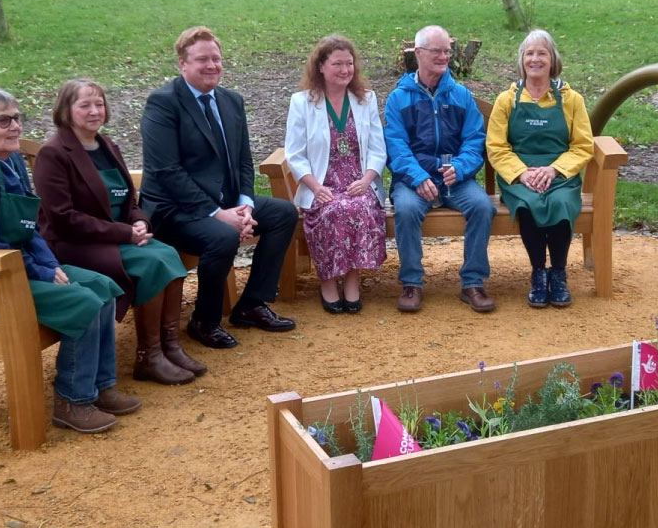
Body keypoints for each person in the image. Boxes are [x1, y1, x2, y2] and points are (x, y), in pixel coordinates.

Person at [0, 87, 137, 434]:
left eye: (17, 118)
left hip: (17, 268)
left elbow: (30, 227)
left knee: (104, 286)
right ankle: (73, 400)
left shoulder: (7, 162)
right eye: (3, 120)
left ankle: (99, 386)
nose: (15, 127)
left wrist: (49, 265)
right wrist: (39, 270)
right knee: (82, 300)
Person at [34, 79, 205, 386]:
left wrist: (139, 222)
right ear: (66, 110)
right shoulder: (54, 153)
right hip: (74, 244)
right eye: (84, 105)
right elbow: (63, 219)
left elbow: (129, 199)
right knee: (151, 263)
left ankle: (169, 346)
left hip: (120, 235)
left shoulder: (106, 145)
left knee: (168, 254)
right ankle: (148, 357)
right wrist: (124, 233)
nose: (94, 111)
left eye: (99, 104)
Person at [139, 26, 299, 348]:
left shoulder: (231, 101)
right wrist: (218, 214)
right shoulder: (163, 104)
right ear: (182, 64)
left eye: (216, 58)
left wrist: (245, 206)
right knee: (223, 236)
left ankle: (251, 304)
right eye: (202, 60)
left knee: (283, 213)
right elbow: (167, 172)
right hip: (175, 211)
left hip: (226, 202)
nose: (212, 65)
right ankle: (205, 320)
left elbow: (243, 160)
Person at [383, 25, 496, 313]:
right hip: (414, 179)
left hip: (456, 179)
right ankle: (412, 283)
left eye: (447, 51)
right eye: (437, 51)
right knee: (406, 210)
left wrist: (460, 167)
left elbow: (474, 140)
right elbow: (395, 145)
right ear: (418, 53)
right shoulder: (399, 98)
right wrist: (418, 177)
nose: (444, 56)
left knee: (482, 206)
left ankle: (473, 282)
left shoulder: (461, 95)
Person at [486, 29, 595, 308]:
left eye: (542, 53)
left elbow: (582, 146)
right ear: (522, 60)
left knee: (559, 203)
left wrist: (554, 170)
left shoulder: (572, 100)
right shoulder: (507, 100)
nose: (535, 59)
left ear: (552, 60)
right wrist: (522, 173)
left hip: (560, 176)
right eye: (529, 53)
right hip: (519, 176)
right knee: (528, 204)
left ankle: (558, 273)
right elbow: (496, 147)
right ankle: (538, 273)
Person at [282, 35, 388, 313]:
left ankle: (352, 280)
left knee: (360, 207)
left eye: (349, 64)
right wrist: (316, 187)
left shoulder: (366, 100)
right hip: (321, 184)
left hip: (357, 181)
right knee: (333, 210)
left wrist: (367, 180)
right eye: (337, 64)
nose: (344, 70)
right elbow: (294, 154)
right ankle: (328, 281)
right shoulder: (302, 102)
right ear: (321, 66)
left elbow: (378, 148)